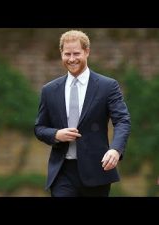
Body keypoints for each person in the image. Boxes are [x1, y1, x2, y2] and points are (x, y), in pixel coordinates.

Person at [34, 30, 131, 197]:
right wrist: (56, 134)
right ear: (61, 54)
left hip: (97, 171)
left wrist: (116, 149)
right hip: (62, 172)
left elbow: (122, 120)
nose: (72, 59)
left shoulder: (107, 86)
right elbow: (40, 128)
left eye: (76, 53)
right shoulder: (49, 90)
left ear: (87, 52)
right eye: (67, 54)